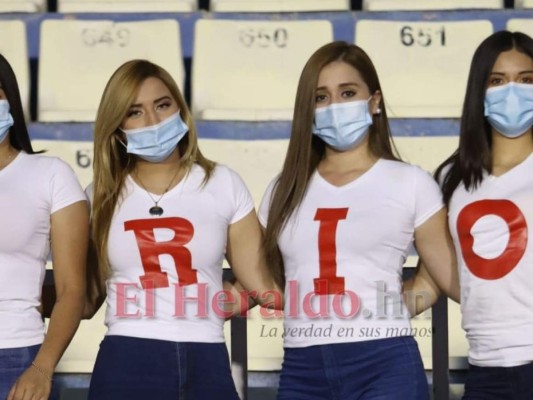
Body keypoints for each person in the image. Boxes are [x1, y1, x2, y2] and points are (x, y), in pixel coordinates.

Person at [259, 41, 459, 399]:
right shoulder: (282, 189)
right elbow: (265, 277)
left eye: (348, 92)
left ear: (375, 101)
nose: (334, 106)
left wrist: (387, 309)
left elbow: (445, 275)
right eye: (321, 97)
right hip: (302, 366)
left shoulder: (410, 182)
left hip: (384, 362)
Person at [86, 59, 275, 399]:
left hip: (207, 354)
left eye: (162, 105)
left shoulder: (222, 182)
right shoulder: (98, 196)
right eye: (135, 112)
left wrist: (233, 299)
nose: (154, 121)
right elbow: (84, 297)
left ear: (181, 111)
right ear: (116, 128)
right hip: (127, 357)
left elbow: (262, 279)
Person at [435, 30, 533, 399]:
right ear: (480, 90)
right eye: (497, 80)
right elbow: (443, 272)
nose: (513, 90)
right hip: (485, 369)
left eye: (526, 80)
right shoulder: (450, 178)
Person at [0, 54, 89, 400]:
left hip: (16, 355)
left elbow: (72, 289)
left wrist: (41, 367)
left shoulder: (51, 175)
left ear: (11, 98)